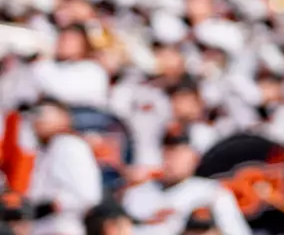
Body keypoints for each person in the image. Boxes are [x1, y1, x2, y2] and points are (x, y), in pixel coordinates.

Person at [121, 127, 250, 235]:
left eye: (180, 154)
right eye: (169, 153)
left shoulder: (212, 193)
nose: (173, 161)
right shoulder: (136, 194)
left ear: (194, 158)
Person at [23, 99, 102, 235]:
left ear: (64, 118)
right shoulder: (44, 149)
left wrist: (51, 206)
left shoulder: (68, 145)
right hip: (40, 226)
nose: (37, 121)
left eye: (44, 115)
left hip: (61, 227)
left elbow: (88, 195)